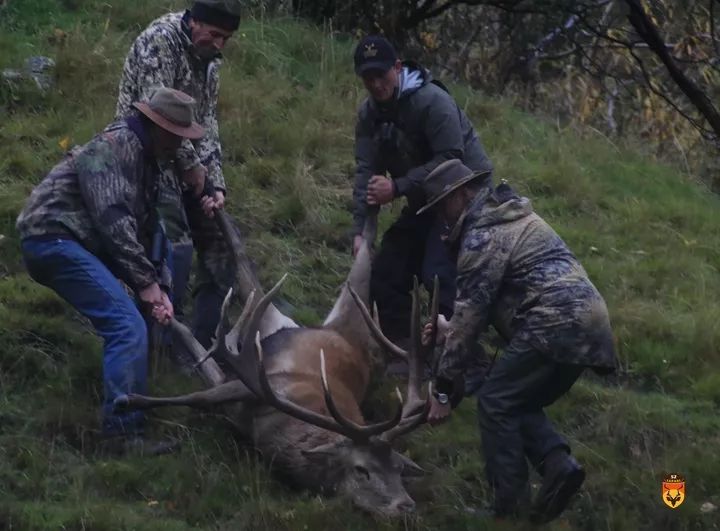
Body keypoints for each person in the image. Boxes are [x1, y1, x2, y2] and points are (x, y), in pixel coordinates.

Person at [420, 159, 618, 523]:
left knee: (495, 402)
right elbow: (475, 318)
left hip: (554, 321)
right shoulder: (510, 219)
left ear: (462, 194)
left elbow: (471, 317)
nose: (440, 219)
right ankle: (559, 466)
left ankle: (507, 510)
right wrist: (450, 331)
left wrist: (443, 389)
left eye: (441, 206)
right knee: (515, 399)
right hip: (589, 325)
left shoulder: (482, 235)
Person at [16, 87, 207, 456]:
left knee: (132, 317)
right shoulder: (114, 147)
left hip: (73, 241)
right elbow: (114, 222)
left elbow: (150, 233)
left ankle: (131, 411)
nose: (179, 144)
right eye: (176, 135)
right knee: (126, 324)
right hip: (51, 238)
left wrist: (160, 289)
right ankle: (121, 434)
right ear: (159, 128)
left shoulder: (149, 161)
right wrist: (148, 285)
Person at [350, 35, 494, 352]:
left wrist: (398, 187)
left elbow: (451, 159)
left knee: (438, 275)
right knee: (387, 269)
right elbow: (365, 174)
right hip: (425, 205)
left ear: (397, 68)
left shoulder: (433, 102)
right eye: (367, 78)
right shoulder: (368, 116)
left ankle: (459, 359)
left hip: (464, 202)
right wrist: (360, 232)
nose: (375, 84)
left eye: (381, 74)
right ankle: (404, 351)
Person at [116, 0, 241, 349]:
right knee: (175, 245)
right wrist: (192, 168)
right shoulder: (160, 42)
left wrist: (215, 183)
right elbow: (157, 118)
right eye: (215, 35)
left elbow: (209, 123)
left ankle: (206, 344)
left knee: (223, 240)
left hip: (188, 164)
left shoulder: (209, 62)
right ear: (194, 21)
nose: (219, 45)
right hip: (145, 157)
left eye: (226, 39)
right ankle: (164, 337)